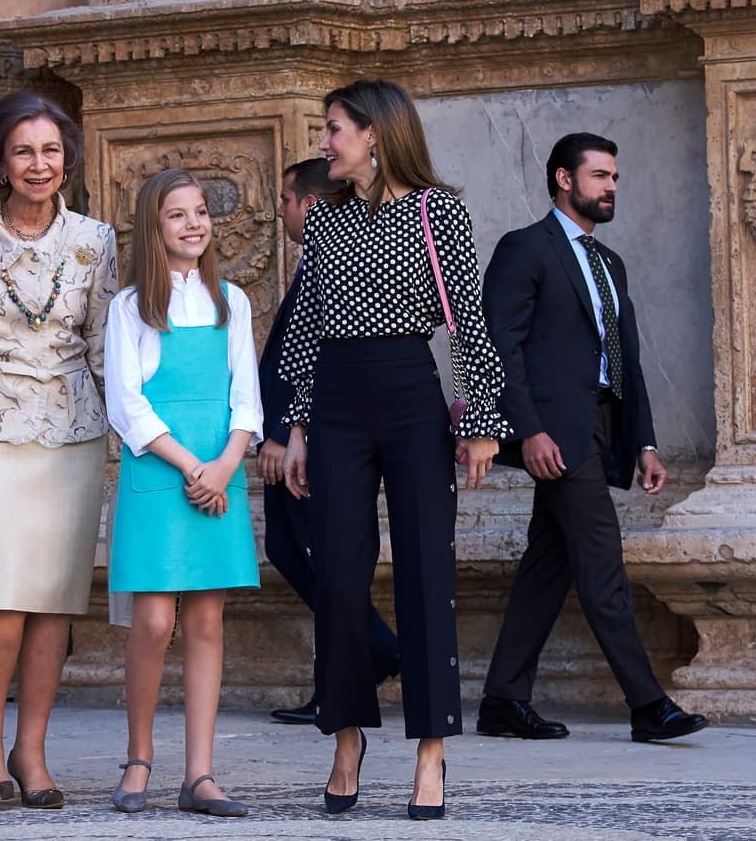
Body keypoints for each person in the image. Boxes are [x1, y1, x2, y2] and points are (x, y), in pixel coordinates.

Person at [280, 79, 508, 820]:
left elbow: (469, 321)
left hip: (411, 393)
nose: (324, 142)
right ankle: (347, 735)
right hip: (338, 402)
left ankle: (432, 750)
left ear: (375, 134)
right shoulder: (326, 223)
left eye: (334, 128)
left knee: (424, 571)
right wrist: (301, 428)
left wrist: (480, 420)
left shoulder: (436, 211)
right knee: (338, 576)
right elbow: (308, 330)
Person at [477, 132, 708, 744]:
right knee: (601, 561)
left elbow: (625, 358)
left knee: (548, 567)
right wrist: (527, 430)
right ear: (563, 179)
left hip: (603, 427)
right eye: (600, 176)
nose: (611, 187)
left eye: (615, 177)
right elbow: (500, 347)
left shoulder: (609, 263)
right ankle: (647, 704)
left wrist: (646, 442)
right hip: (557, 433)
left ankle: (502, 701)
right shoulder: (525, 249)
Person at [0, 90, 117, 809]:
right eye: (22, 151)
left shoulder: (96, 240)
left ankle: (30, 749)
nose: (38, 164)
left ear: (66, 156)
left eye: (49, 150)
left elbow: (105, 346)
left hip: (72, 433)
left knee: (54, 604)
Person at [105, 168, 260, 817]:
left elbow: (245, 399)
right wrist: (191, 467)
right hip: (161, 477)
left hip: (217, 478)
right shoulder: (130, 305)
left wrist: (223, 465)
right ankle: (139, 756)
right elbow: (126, 403)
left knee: (204, 621)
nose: (195, 223)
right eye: (178, 214)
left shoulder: (233, 300)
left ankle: (199, 773)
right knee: (154, 620)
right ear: (153, 226)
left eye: (201, 211)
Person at [263, 160, 401, 726]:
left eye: (287, 199)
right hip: (299, 436)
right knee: (294, 551)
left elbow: (315, 360)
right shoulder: (318, 259)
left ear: (312, 206)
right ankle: (364, 656)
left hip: (311, 441)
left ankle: (364, 660)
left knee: (320, 558)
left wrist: (283, 435)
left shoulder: (336, 263)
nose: (280, 210)